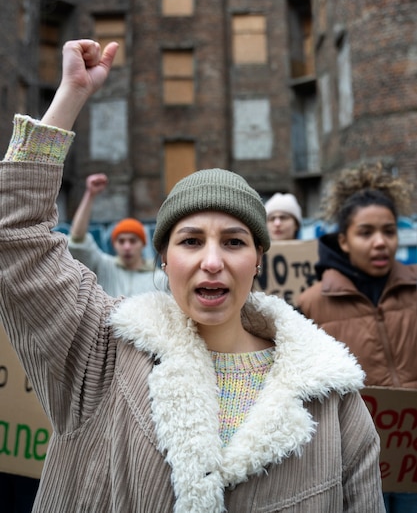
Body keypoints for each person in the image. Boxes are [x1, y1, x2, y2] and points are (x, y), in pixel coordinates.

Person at [0, 39, 385, 512]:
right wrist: (70, 97)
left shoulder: (333, 401)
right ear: (163, 258)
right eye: (190, 241)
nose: (212, 261)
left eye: (234, 241)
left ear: (259, 259)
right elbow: (16, 236)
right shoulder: (98, 352)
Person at [297, 162, 417, 512]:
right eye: (366, 233)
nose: (380, 242)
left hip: (411, 462)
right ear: (344, 240)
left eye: (389, 231)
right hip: (353, 464)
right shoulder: (312, 304)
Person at [68, 172, 162, 297]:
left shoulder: (159, 279)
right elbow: (77, 240)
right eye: (121, 241)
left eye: (133, 241)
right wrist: (90, 194)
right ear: (114, 245)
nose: (127, 247)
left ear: (143, 244)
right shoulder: (105, 267)